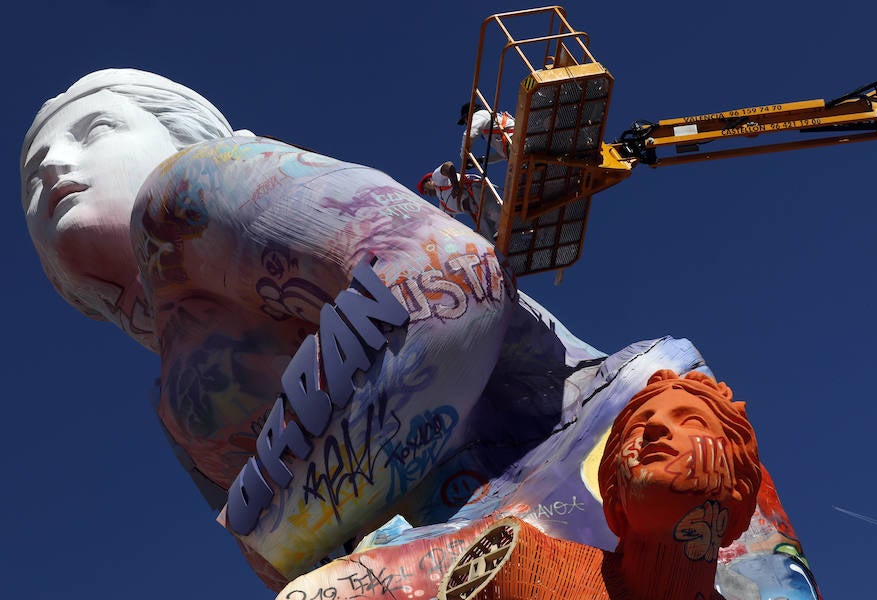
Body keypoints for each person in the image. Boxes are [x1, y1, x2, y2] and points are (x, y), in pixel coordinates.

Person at [21, 69, 817, 599]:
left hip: (614, 457)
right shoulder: (175, 400)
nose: (56, 164)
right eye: (30, 175)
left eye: (94, 130)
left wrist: (303, 518)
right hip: (492, 540)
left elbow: (448, 287)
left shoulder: (188, 190)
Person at [437, 369, 762, 600]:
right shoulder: (525, 569)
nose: (656, 427)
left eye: (691, 420)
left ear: (738, 489)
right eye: (639, 424)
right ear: (614, 494)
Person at [416, 160, 502, 239]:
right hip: (476, 210)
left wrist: (455, 185)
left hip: (474, 190)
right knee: (487, 235)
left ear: (429, 180)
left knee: (493, 213)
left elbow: (448, 166)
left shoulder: (436, 178)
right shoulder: (443, 207)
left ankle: (504, 226)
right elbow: (446, 223)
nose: (426, 193)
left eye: (425, 189)